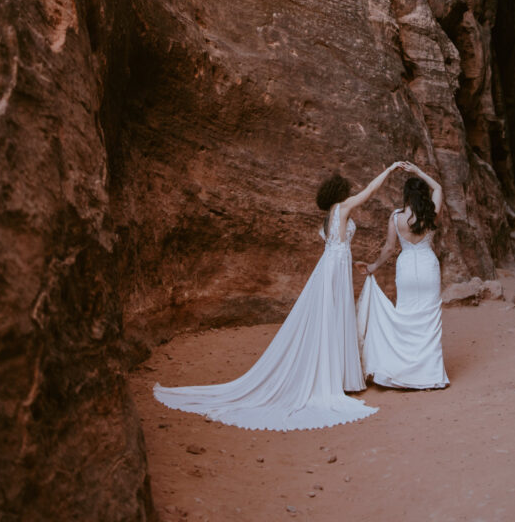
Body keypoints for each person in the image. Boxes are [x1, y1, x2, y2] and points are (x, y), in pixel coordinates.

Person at [153, 161, 406, 431]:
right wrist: (389, 170)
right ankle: (332, 381)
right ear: (341, 193)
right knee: (334, 316)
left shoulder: (328, 216)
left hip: (333, 264)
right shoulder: (342, 208)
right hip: (335, 267)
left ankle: (334, 377)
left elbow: (334, 243)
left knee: (329, 317)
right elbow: (368, 191)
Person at [355, 162, 449, 390]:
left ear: (406, 195)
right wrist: (417, 171)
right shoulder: (431, 214)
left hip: (406, 267)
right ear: (424, 194)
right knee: (429, 320)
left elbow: (389, 249)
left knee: (406, 318)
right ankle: (430, 375)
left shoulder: (396, 217)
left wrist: (373, 266)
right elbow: (438, 188)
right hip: (427, 265)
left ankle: (405, 372)